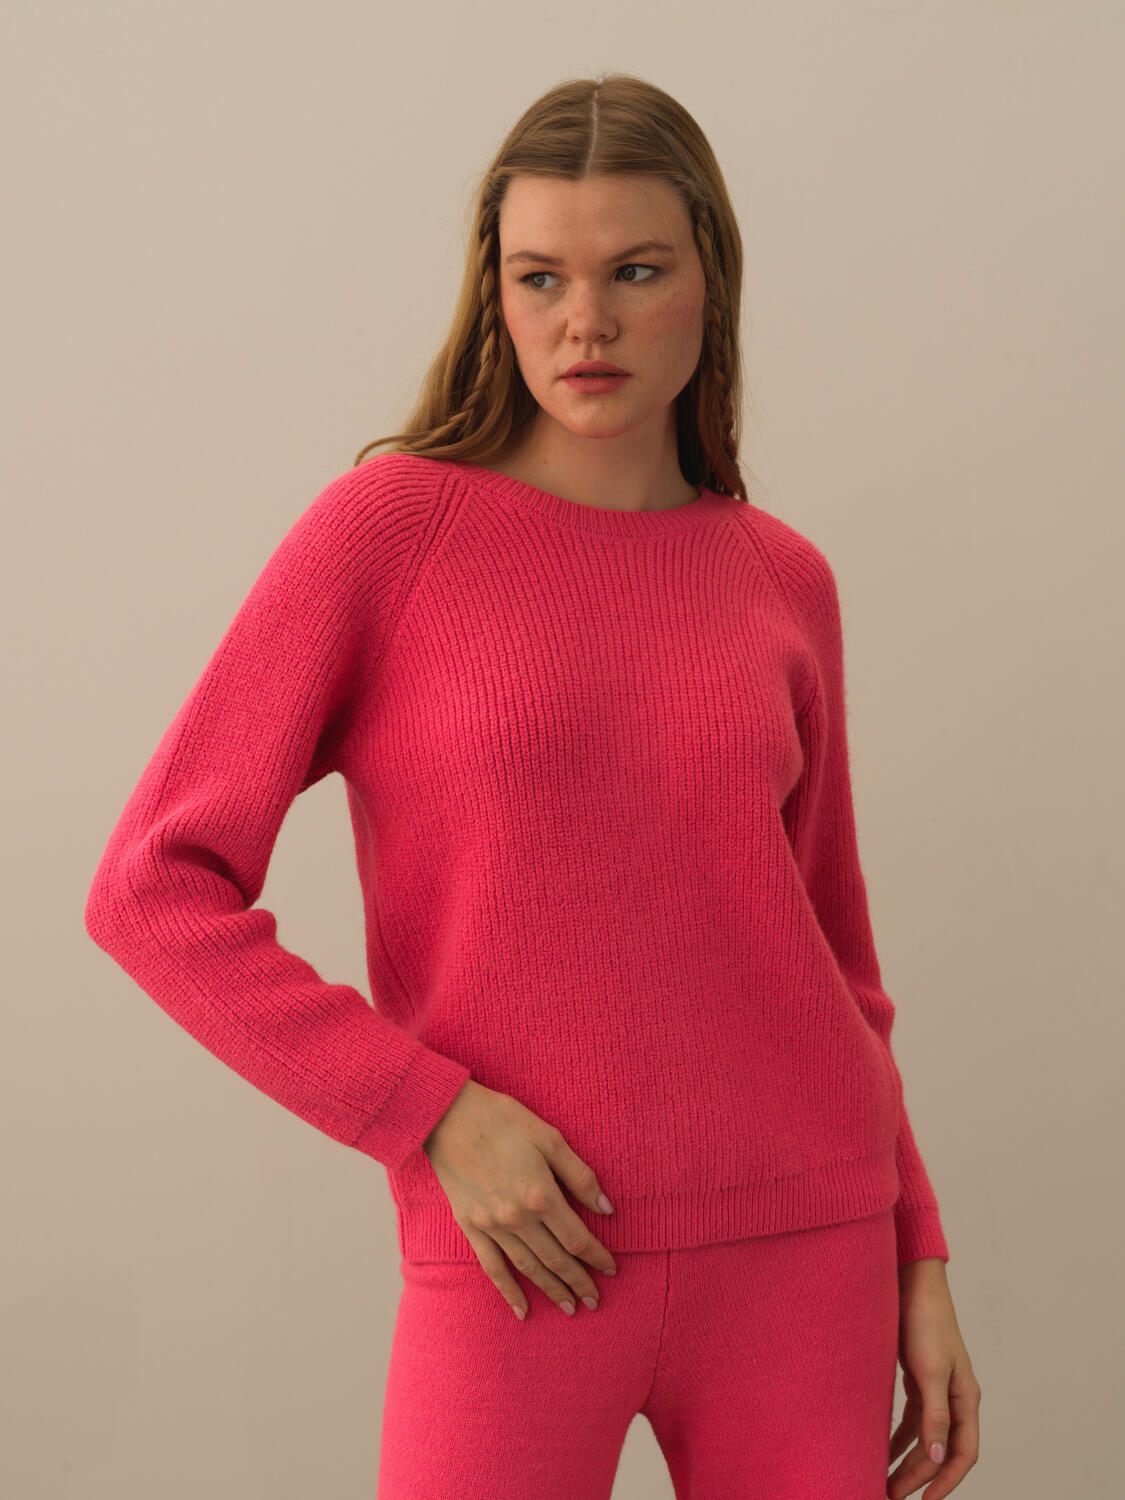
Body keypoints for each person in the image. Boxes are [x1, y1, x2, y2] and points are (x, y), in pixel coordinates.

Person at [85, 71, 981, 1500]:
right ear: (492, 294)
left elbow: (835, 959)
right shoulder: (388, 536)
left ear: (710, 280)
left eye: (637, 271)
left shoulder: (779, 579)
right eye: (541, 276)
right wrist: (426, 1111)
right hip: (517, 1244)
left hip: (806, 1249)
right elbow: (150, 890)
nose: (586, 322)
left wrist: (917, 1252)